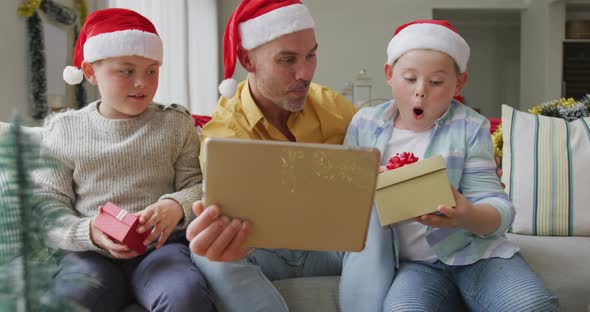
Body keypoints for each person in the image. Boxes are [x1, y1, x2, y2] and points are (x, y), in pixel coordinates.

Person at [185, 1, 391, 311]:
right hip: (260, 252)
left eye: (311, 55)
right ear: (247, 60)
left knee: (378, 210)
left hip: (330, 246)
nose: (305, 72)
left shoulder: (332, 108)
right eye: (287, 59)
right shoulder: (224, 132)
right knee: (203, 247)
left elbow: (381, 163)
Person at [342, 19, 559, 311]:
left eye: (436, 82)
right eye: (409, 79)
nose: (421, 92)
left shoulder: (470, 127)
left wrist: (466, 215)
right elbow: (343, 200)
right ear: (389, 75)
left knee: (531, 305)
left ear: (459, 84)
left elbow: (501, 209)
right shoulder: (365, 124)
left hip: (477, 255)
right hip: (415, 267)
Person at [34, 8, 214, 312]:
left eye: (152, 70)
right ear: (91, 72)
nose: (141, 82)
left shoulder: (175, 123)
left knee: (185, 294)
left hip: (162, 250)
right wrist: (89, 231)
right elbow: (46, 207)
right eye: (126, 71)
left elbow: (200, 186)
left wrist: (175, 206)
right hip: (90, 256)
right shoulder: (64, 129)